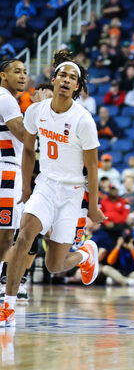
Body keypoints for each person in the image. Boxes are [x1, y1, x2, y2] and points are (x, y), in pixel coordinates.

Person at [0, 52, 105, 326]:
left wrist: (93, 206)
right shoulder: (36, 111)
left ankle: (86, 253)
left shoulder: (84, 120)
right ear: (54, 79)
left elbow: (92, 168)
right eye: (63, 75)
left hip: (71, 193)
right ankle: (7, 307)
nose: (66, 80)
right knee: (23, 237)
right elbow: (27, 150)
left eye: (73, 78)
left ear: (78, 87)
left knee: (54, 266)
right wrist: (26, 188)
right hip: (45, 185)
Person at [0, 60, 29, 299]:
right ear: (3, 75)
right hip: (6, 169)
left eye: (25, 72)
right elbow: (22, 133)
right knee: (6, 230)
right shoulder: (5, 97)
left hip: (9, 168)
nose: (22, 76)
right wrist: (40, 110)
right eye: (16, 71)